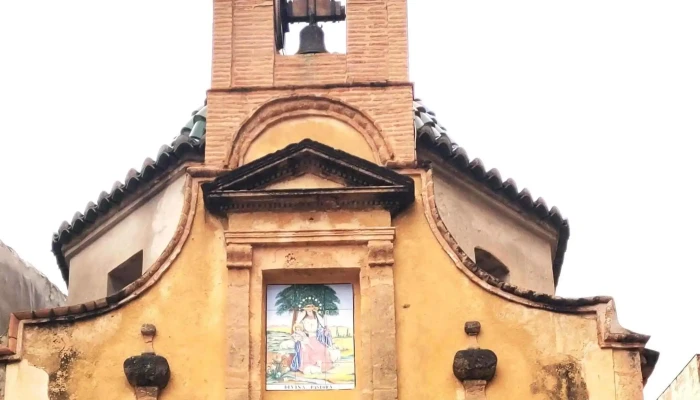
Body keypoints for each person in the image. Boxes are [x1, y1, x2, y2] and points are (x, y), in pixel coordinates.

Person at [290, 304, 334, 374]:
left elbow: (321, 328)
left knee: (322, 348)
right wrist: (301, 335)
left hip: (316, 338)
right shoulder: (304, 320)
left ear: (313, 311)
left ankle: (321, 366)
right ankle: (307, 366)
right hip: (307, 338)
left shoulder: (317, 319)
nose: (309, 312)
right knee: (305, 350)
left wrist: (325, 330)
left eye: (310, 311)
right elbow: (299, 328)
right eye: (308, 311)